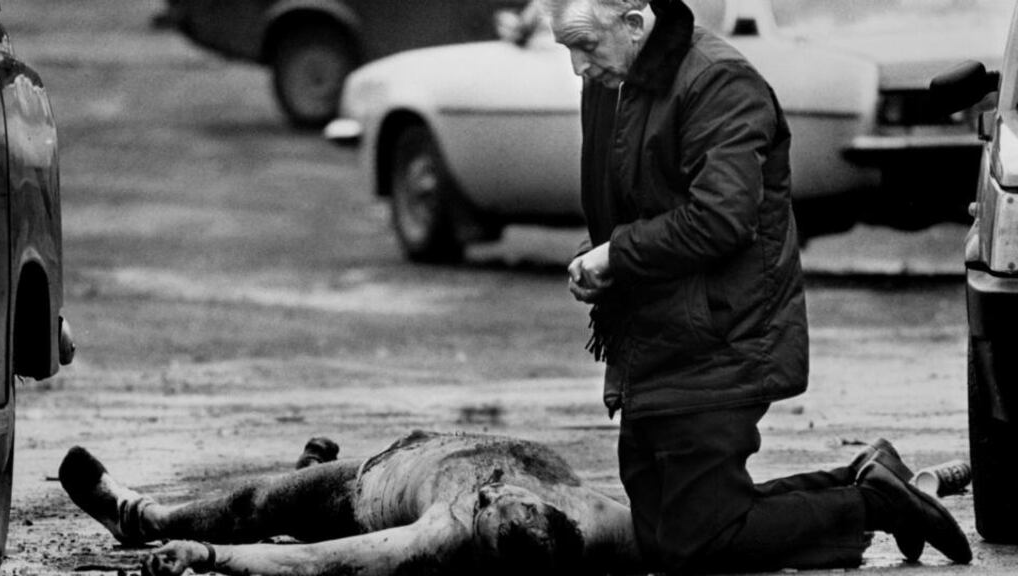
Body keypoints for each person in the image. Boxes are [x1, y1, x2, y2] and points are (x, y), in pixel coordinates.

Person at [543, 0, 971, 572]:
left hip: (722, 332)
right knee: (667, 533)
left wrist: (617, 258)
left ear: (634, 24)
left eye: (585, 46)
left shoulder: (719, 81)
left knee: (698, 541)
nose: (577, 67)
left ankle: (872, 501)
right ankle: (865, 482)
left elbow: (720, 218)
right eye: (565, 48)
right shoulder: (611, 83)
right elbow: (630, 201)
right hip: (654, 336)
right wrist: (598, 259)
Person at [59, 430, 645, 576]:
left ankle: (138, 518)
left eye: (484, 506)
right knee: (285, 509)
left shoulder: (442, 534)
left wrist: (207, 554)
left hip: (364, 488)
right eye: (503, 497)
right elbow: (705, 535)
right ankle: (302, 480)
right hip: (416, 447)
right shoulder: (597, 518)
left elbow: (317, 565)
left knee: (254, 507)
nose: (490, 489)